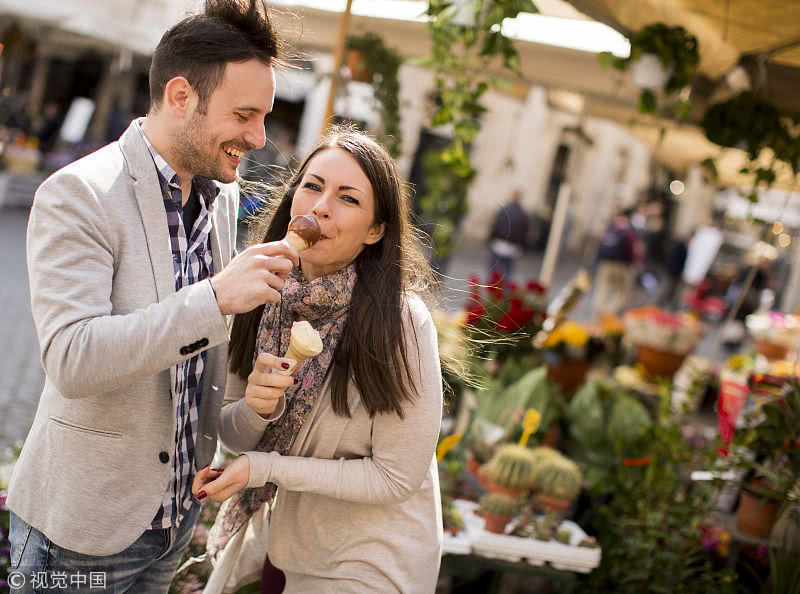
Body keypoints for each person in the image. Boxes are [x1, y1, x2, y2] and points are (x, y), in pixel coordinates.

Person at [7, 2, 298, 591]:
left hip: (171, 524)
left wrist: (254, 404)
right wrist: (215, 300)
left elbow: (187, 384)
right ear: (181, 95)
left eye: (264, 117)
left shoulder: (218, 198)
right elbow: (73, 359)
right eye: (244, 114)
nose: (259, 137)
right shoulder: (79, 194)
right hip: (80, 537)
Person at [193, 127, 444, 593]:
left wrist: (265, 468)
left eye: (348, 198)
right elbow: (231, 434)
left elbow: (395, 477)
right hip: (287, 551)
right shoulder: (256, 292)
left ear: (376, 230)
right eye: (312, 186)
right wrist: (256, 408)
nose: (320, 207)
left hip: (372, 565)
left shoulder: (402, 322)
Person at [592, 207, 642, 319]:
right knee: (622, 293)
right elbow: (632, 251)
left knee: (602, 290)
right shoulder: (629, 230)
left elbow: (600, 243)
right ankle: (609, 313)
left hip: (606, 263)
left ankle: (598, 313)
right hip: (622, 266)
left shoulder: (610, 226)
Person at [488, 188, 529, 281]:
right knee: (507, 274)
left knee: (493, 272)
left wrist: (490, 239)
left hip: (499, 244)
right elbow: (525, 232)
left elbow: (495, 226)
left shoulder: (503, 210)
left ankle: (491, 291)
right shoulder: (523, 213)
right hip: (512, 247)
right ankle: (503, 292)